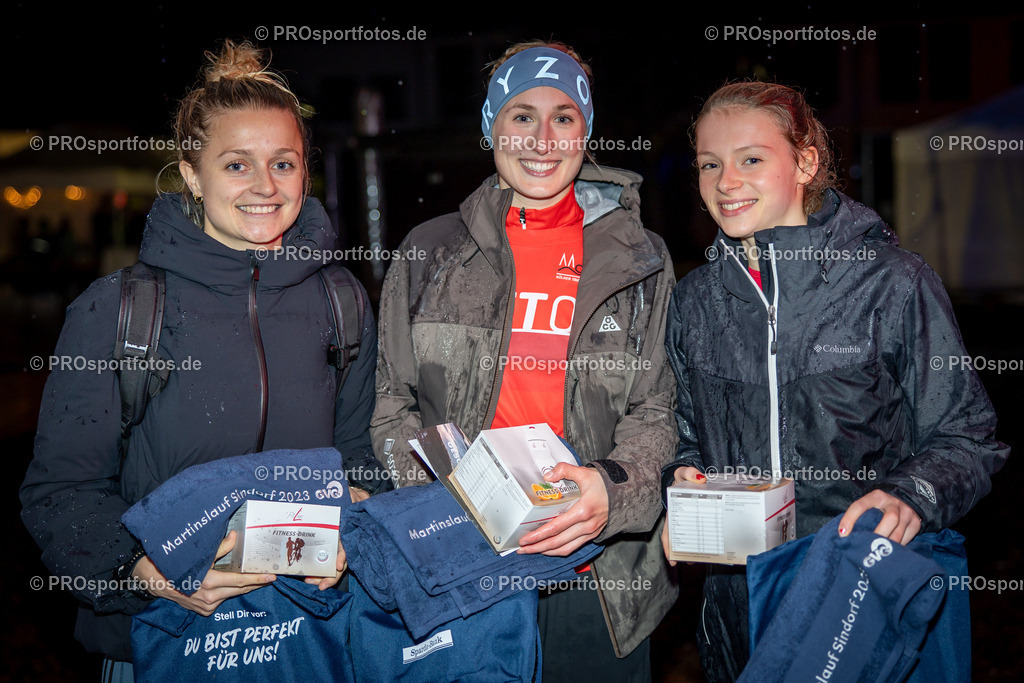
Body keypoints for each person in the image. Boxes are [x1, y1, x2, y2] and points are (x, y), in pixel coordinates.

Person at [20, 40, 389, 673]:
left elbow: (361, 459)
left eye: (284, 163)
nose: (265, 187)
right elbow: (60, 494)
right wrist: (146, 571)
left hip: (309, 641)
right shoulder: (120, 311)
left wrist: (354, 534)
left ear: (307, 171)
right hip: (164, 642)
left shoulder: (342, 300)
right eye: (237, 165)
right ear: (192, 174)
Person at [661, 81, 1009, 681]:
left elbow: (968, 437)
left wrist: (911, 495)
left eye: (751, 159)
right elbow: (686, 437)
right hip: (740, 608)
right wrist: (682, 479)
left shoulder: (890, 283)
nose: (725, 181)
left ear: (805, 161)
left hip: (861, 594)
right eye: (709, 164)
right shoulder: (694, 301)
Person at [369, 40, 679, 682]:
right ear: (491, 128)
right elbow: (392, 406)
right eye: (520, 116)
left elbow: (656, 412)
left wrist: (613, 491)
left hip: (594, 577)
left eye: (563, 116)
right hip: (463, 567)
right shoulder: (428, 253)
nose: (542, 137)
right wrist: (439, 503)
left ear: (586, 131)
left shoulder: (642, 257)